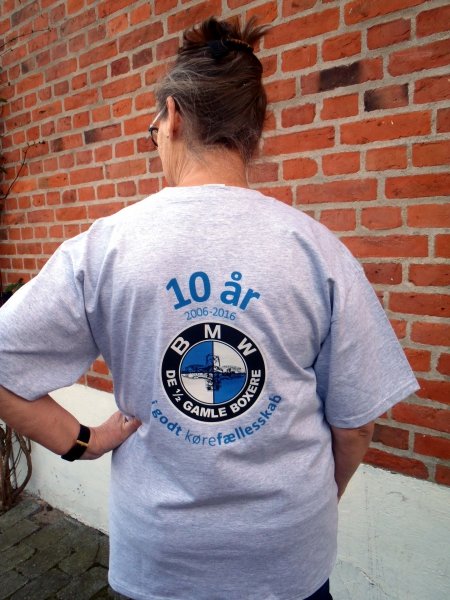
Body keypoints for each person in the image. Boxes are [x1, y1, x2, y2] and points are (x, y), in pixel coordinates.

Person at [0, 16, 418, 600]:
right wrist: (315, 504)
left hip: (161, 558)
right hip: (286, 557)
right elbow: (356, 425)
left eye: (152, 132)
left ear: (171, 116)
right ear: (254, 131)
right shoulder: (317, 249)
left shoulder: (103, 249)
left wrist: (84, 441)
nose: (155, 144)